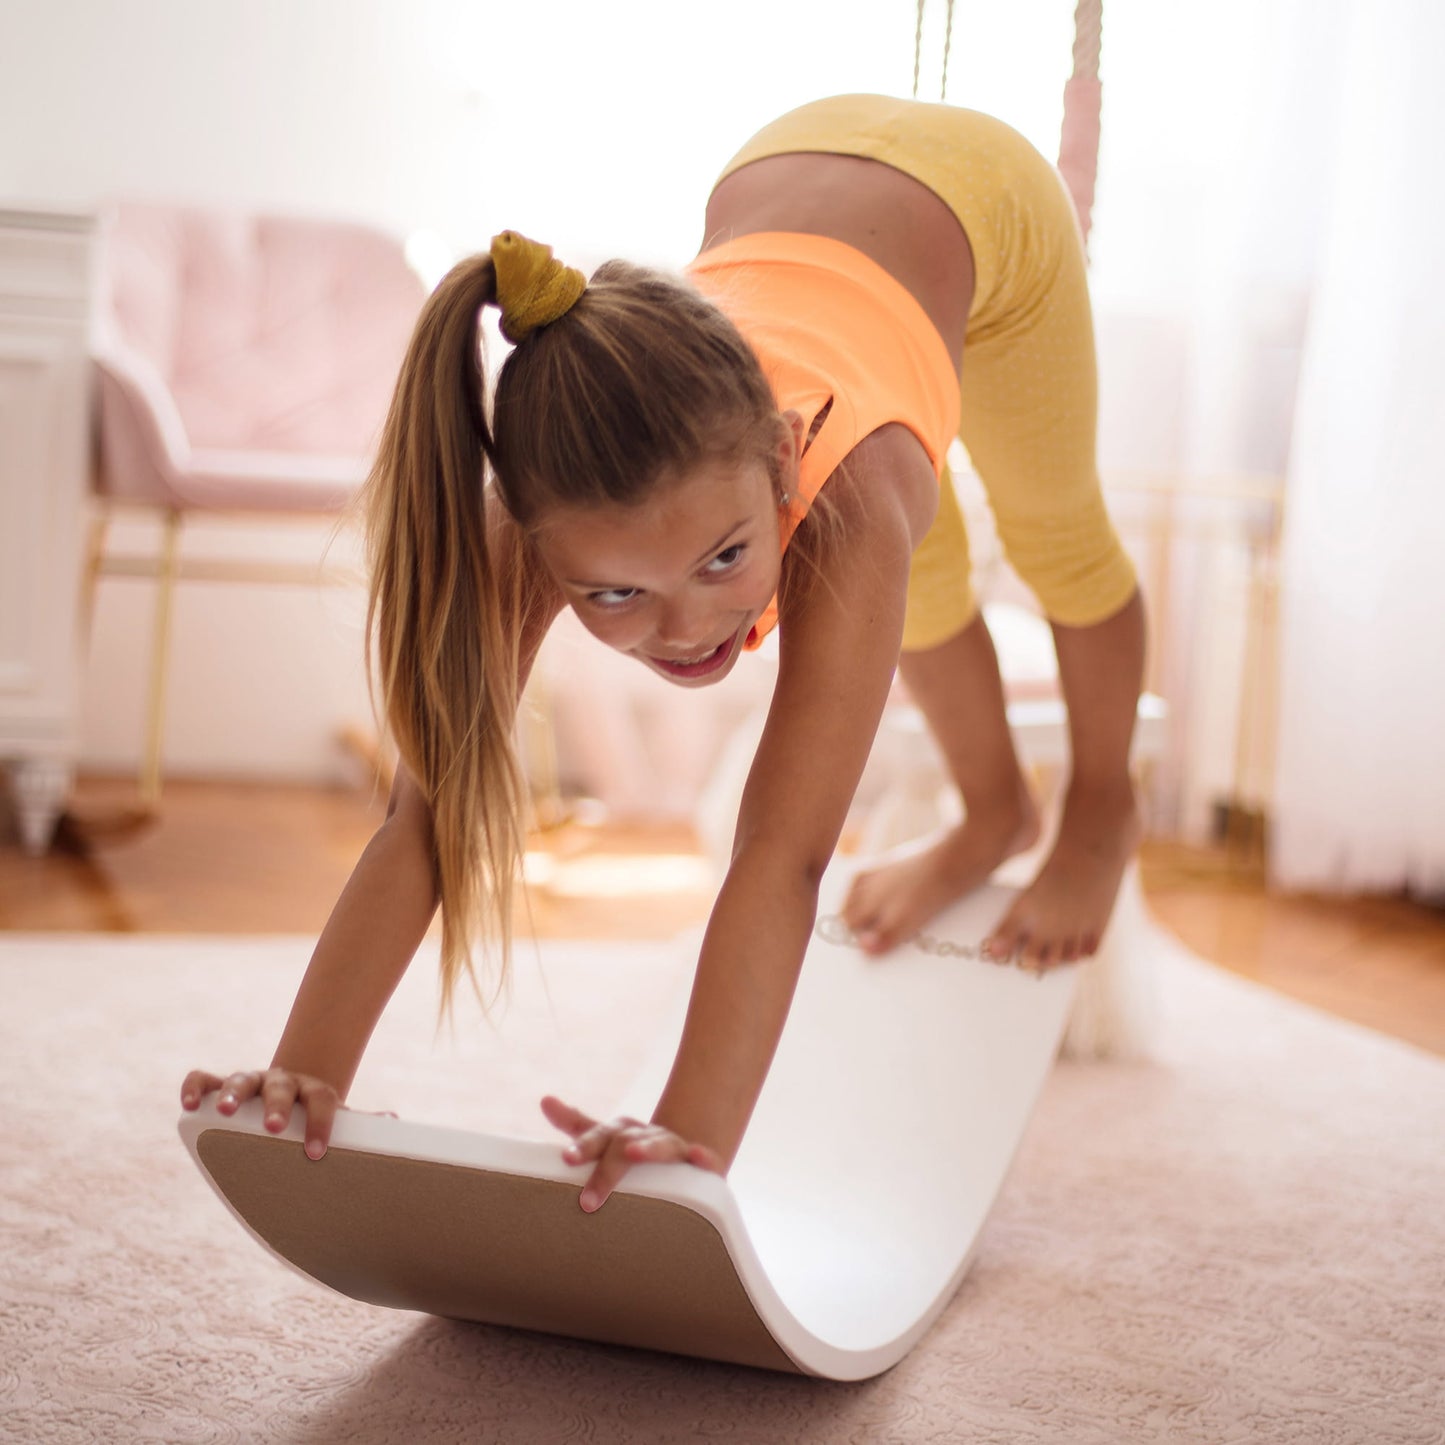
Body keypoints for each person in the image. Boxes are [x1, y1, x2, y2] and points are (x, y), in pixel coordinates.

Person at [181, 94, 1144, 1214]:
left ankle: (1096, 812)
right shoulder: (527, 521)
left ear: (784, 462)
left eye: (725, 558)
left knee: (1050, 533)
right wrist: (308, 1068)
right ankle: (992, 815)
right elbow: (426, 811)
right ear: (535, 541)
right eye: (613, 593)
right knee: (915, 582)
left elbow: (779, 857)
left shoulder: (847, 495)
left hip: (988, 206)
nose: (685, 629)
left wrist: (686, 1136)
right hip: (790, 170)